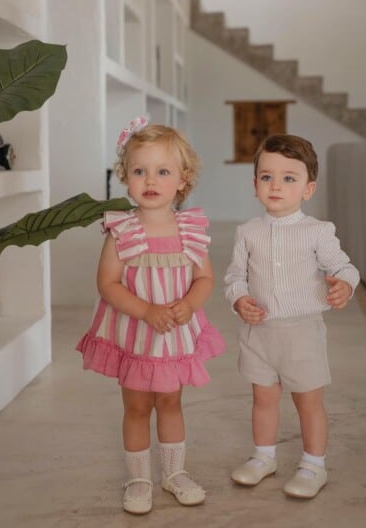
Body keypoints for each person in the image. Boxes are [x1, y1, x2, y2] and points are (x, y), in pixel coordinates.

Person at [76, 117, 225, 515]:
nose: (150, 180)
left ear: (182, 179)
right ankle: (139, 479)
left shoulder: (190, 229)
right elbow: (107, 284)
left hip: (174, 335)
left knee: (171, 403)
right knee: (138, 406)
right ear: (126, 177)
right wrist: (145, 310)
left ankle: (174, 473)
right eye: (139, 171)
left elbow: (205, 278)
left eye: (162, 171)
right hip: (136, 336)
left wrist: (190, 304)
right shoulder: (122, 230)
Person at [224, 133, 359, 499]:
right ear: (255, 185)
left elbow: (344, 268)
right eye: (267, 177)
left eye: (288, 178)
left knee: (308, 402)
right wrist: (239, 299)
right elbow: (235, 277)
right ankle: (263, 456)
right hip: (259, 333)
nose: (276, 186)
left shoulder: (317, 232)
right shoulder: (247, 232)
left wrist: (345, 286)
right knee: (263, 398)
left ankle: (314, 464)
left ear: (307, 188)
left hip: (302, 333)